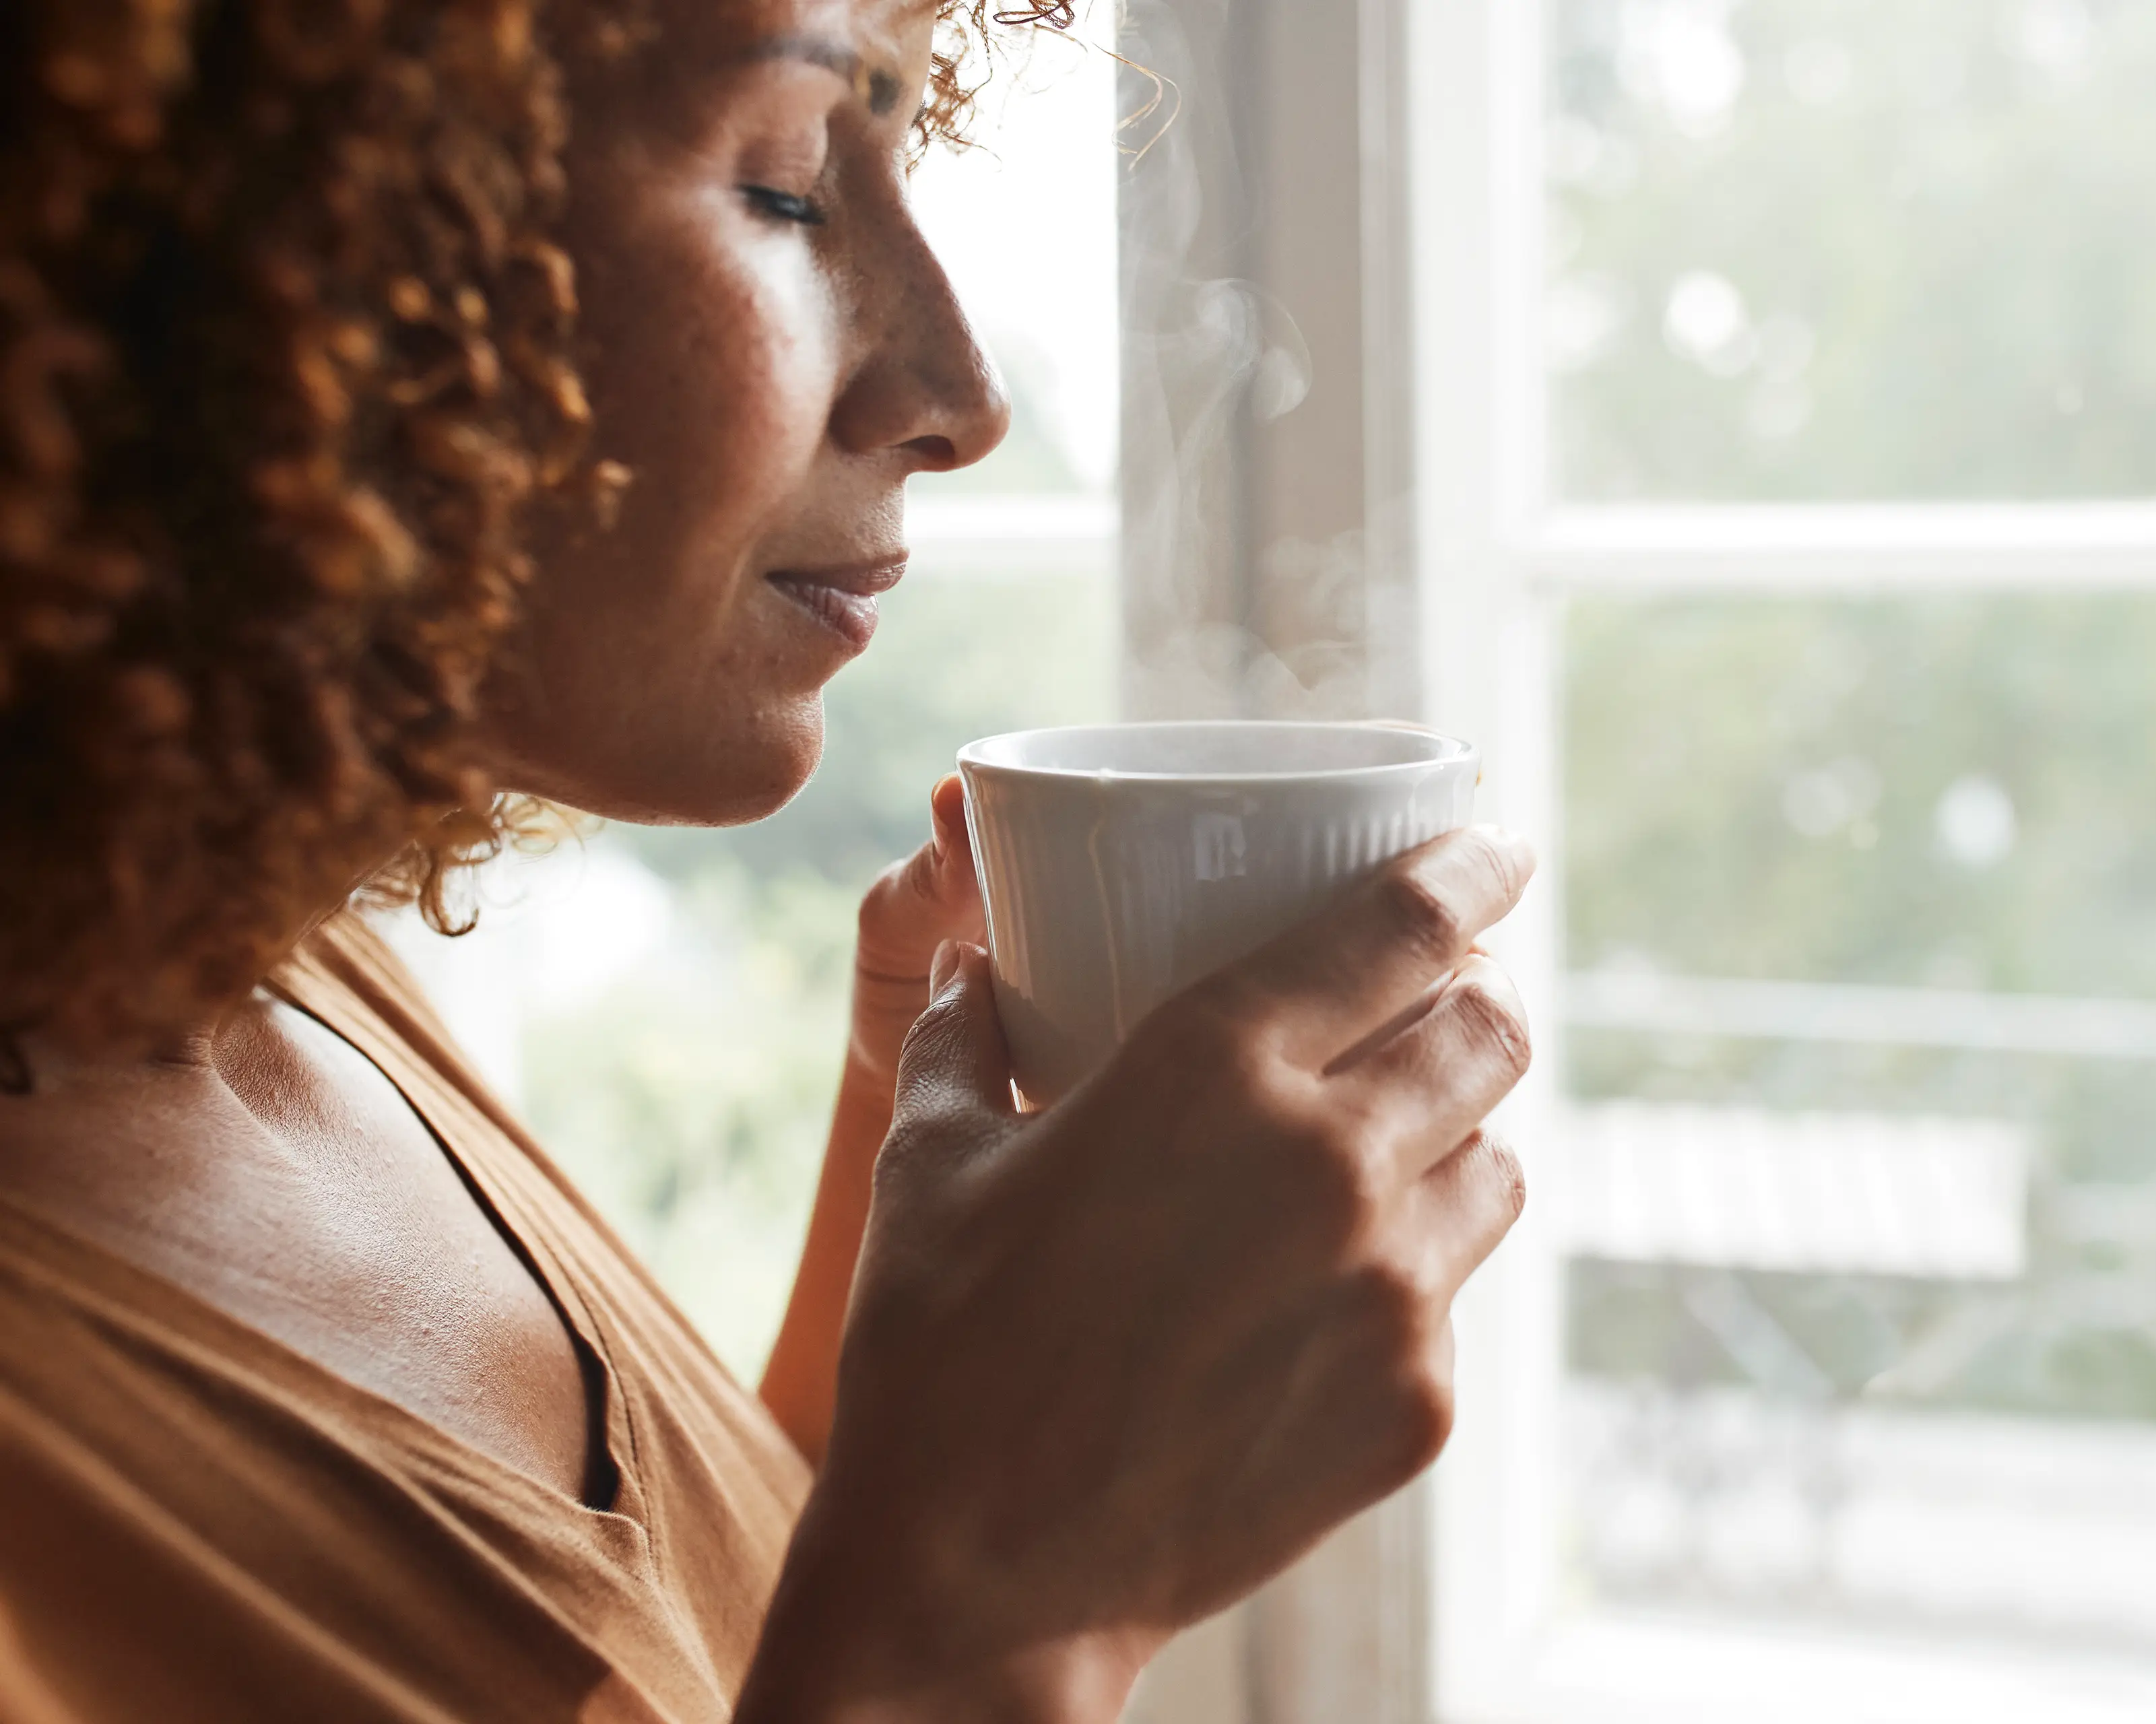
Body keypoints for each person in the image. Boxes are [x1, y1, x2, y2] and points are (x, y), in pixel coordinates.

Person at [0, 0, 1535, 1717]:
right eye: (795, 186)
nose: (959, 394)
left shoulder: (246, 971)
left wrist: (931, 1167)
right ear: (265, 233)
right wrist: (1000, 1623)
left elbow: (719, 1646)